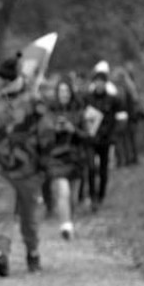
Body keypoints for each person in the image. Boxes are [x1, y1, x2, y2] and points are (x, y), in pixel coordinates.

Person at [0, 54, 54, 276]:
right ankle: (1, 255)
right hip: (0, 169)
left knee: (29, 218)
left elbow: (47, 133)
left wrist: (44, 164)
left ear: (7, 79)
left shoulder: (33, 101)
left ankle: (33, 252)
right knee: (4, 211)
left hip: (29, 170)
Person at [46, 77, 88, 240]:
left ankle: (68, 219)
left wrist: (73, 129)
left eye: (66, 91)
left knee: (72, 196)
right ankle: (66, 226)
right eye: (61, 91)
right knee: (62, 190)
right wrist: (54, 130)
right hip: (56, 157)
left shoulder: (80, 112)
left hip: (75, 157)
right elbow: (43, 136)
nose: (64, 94)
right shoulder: (49, 113)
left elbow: (87, 136)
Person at [81, 61, 121, 211]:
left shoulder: (113, 100)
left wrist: (111, 134)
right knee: (91, 168)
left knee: (103, 170)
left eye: (102, 82)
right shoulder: (87, 99)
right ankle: (92, 197)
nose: (99, 85)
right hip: (91, 139)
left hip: (105, 140)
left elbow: (116, 119)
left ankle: (101, 195)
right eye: (97, 82)